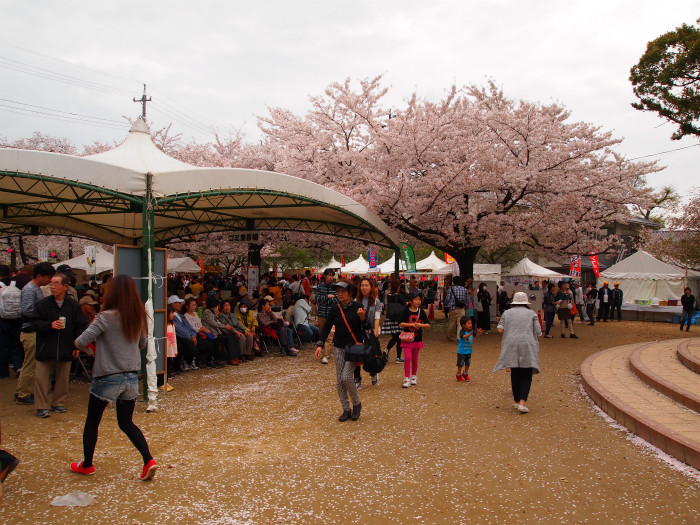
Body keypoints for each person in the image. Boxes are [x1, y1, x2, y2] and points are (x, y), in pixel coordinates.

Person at [72, 275, 157, 481]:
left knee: (93, 420)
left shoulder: (105, 317)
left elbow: (80, 341)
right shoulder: (138, 316)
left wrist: (95, 351)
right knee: (126, 422)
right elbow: (141, 344)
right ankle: (148, 460)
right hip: (131, 377)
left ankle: (88, 464)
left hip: (107, 376)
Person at [30, 273, 89, 418]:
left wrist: (76, 345)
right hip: (46, 346)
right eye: (51, 283)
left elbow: (81, 325)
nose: (53, 287)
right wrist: (49, 325)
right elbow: (34, 323)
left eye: (56, 284)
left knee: (63, 377)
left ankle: (59, 402)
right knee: (41, 378)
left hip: (66, 345)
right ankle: (41, 405)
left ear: (65, 287)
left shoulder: (73, 305)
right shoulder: (43, 304)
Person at [315, 280, 366, 421]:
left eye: (342, 291)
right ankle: (345, 409)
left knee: (346, 377)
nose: (339, 294)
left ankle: (356, 404)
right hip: (338, 348)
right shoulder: (334, 309)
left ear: (350, 293)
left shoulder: (358, 307)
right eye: (337, 291)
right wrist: (320, 344)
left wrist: (362, 318)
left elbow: (366, 327)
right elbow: (326, 328)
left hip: (353, 349)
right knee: (339, 380)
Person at [493, 291, 542, 414]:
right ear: (526, 302)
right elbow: (538, 331)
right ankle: (522, 402)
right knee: (526, 373)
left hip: (511, 344)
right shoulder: (532, 314)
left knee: (515, 371)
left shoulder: (507, 313)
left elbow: (500, 329)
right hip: (527, 344)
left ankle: (516, 400)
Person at [14, 262, 55, 405]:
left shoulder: (35, 288)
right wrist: (44, 316)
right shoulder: (30, 289)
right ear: (39, 276)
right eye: (48, 277)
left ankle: (23, 389)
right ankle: (23, 393)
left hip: (34, 330)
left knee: (31, 363)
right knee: (30, 364)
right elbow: (27, 310)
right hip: (30, 330)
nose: (49, 280)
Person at [353, 277, 382, 389]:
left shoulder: (376, 301)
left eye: (366, 285)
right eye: (362, 285)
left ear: (371, 287)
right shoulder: (356, 301)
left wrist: (375, 332)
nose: (364, 287)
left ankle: (373, 373)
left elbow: (377, 318)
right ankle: (357, 379)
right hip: (358, 332)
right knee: (357, 355)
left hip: (370, 331)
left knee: (372, 354)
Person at [399, 290, 430, 388]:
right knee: (407, 358)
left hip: (417, 338)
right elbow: (400, 323)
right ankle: (407, 377)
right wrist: (411, 324)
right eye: (416, 300)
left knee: (415, 358)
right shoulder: (405, 311)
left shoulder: (421, 312)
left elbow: (428, 324)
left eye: (419, 300)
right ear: (410, 301)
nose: (418, 302)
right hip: (407, 338)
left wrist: (421, 325)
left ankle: (414, 376)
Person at [314, 269, 337, 364]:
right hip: (322, 314)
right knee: (322, 334)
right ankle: (324, 351)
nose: (331, 277)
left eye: (332, 275)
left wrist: (324, 300)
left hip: (332, 315)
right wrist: (328, 296)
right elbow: (317, 299)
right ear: (325, 275)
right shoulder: (320, 286)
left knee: (330, 336)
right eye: (329, 275)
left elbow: (337, 300)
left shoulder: (336, 287)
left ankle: (326, 355)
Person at [381, 278, 406, 363]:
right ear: (398, 286)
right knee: (399, 338)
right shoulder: (399, 296)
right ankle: (398, 357)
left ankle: (387, 350)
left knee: (394, 337)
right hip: (398, 319)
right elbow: (404, 306)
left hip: (391, 318)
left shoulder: (389, 295)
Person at [444, 276, 468, 342]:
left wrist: (445, 305)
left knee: (452, 324)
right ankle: (459, 338)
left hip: (453, 309)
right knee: (460, 324)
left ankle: (449, 336)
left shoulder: (451, 289)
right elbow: (467, 300)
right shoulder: (464, 289)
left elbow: (447, 299)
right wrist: (466, 308)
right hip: (461, 309)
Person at [456, 316, 480, 382]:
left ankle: (465, 373)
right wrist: (470, 334)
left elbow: (477, 336)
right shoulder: (462, 331)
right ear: (463, 325)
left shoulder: (471, 331)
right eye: (468, 323)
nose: (470, 325)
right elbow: (463, 337)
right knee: (460, 364)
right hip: (462, 351)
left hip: (469, 351)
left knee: (468, 363)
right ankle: (458, 374)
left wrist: (479, 333)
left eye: (471, 323)